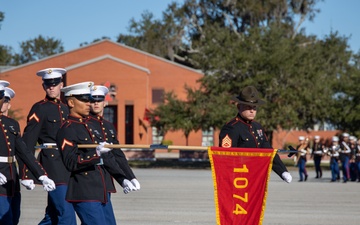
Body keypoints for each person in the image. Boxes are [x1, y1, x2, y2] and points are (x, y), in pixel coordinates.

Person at [56, 81, 137, 225]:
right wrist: (95, 154)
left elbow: (107, 158)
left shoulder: (93, 126)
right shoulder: (67, 129)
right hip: (85, 191)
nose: (89, 103)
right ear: (71, 103)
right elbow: (70, 162)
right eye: (84, 100)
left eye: (89, 99)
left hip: (101, 189)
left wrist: (122, 178)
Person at [19, 68, 76, 225]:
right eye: (48, 84)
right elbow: (27, 143)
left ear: (61, 85)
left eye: (55, 84)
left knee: (52, 216)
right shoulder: (40, 108)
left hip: (68, 165)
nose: (51, 87)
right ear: (44, 86)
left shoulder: (67, 109)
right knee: (66, 213)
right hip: (52, 164)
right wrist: (26, 173)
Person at [0, 83, 56, 225]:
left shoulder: (11, 124)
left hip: (11, 177)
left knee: (13, 217)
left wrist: (41, 175)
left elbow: (24, 152)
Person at [219, 86, 292, 183]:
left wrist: (282, 171)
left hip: (256, 178)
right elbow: (226, 158)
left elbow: (268, 151)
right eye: (248, 107)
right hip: (239, 179)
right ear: (239, 107)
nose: (252, 111)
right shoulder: (232, 128)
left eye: (254, 107)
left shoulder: (257, 127)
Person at [87, 85, 140, 191]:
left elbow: (117, 154)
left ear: (105, 103)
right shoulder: (86, 124)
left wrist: (131, 176)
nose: (96, 103)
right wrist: (122, 178)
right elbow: (106, 156)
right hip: (91, 177)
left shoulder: (108, 126)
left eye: (99, 100)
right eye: (93, 101)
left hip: (106, 178)